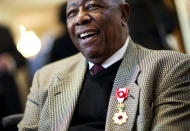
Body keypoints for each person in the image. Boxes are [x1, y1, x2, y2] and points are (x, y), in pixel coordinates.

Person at [18, 0, 190, 130]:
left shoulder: (170, 69)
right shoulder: (46, 76)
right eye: (72, 12)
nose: (80, 18)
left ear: (123, 13)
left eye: (93, 6)